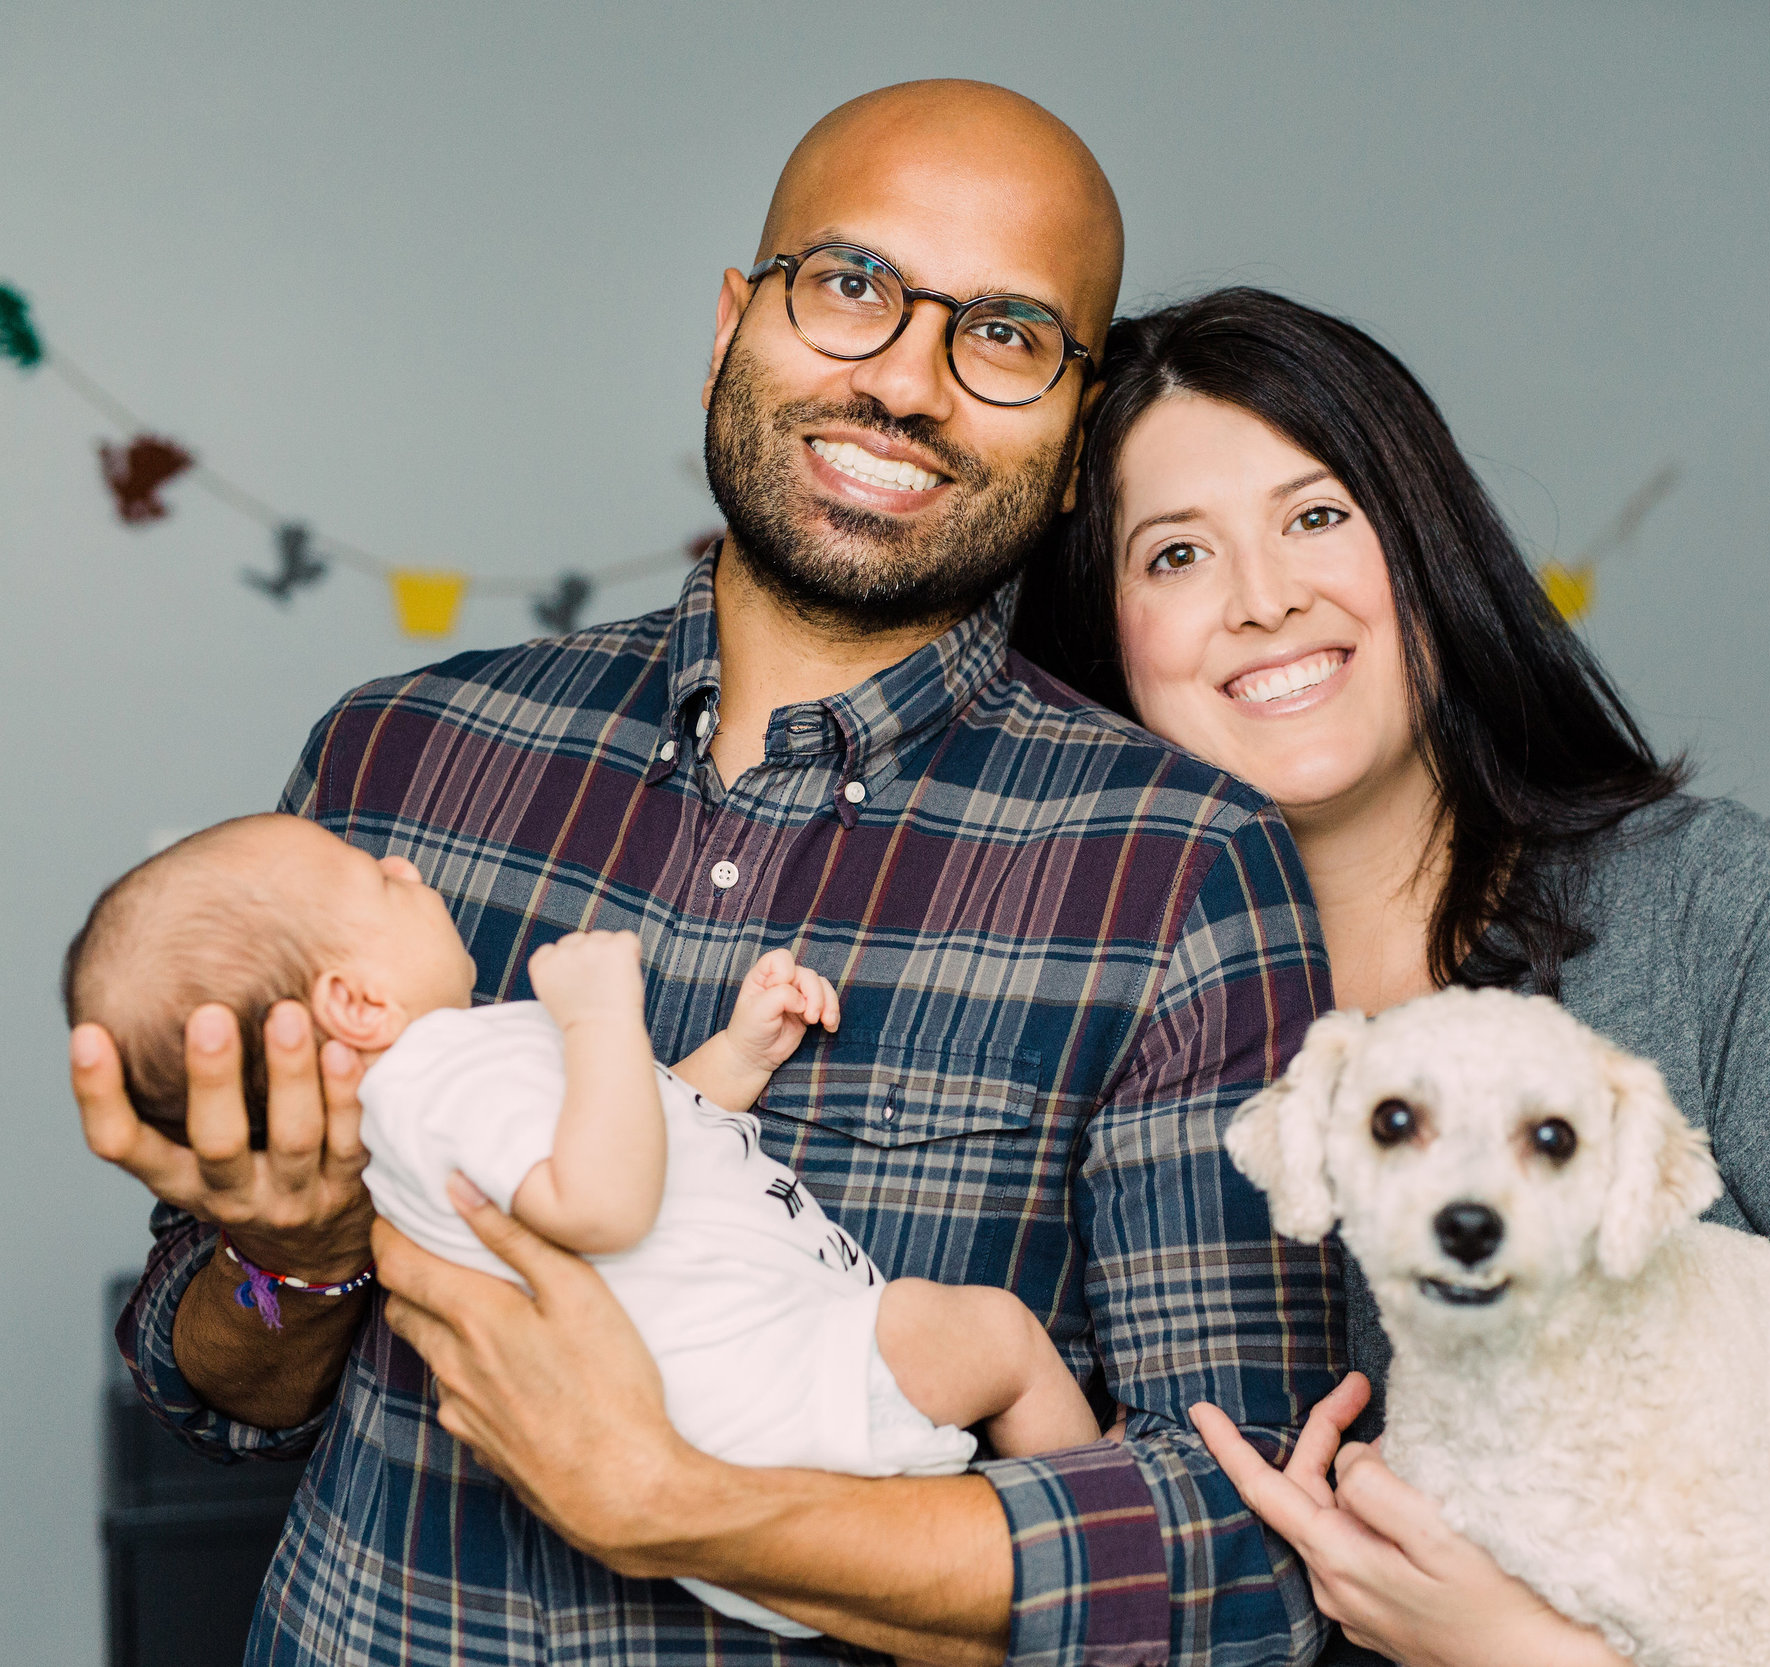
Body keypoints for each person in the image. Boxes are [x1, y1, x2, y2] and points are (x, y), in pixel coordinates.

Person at [74, 86, 1347, 1666]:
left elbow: (1242, 1559)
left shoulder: (1184, 874)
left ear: (1079, 443)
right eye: (854, 286)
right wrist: (294, 1256)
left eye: (1007, 334)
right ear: (734, 324)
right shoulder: (397, 764)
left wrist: (677, 1502)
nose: (903, 381)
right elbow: (215, 1387)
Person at [1011, 286, 1770, 1667]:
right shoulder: (1079, 1019)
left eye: (1317, 514)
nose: (1263, 596)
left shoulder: (1701, 909)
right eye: (1175, 553)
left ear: (1424, 550)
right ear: (1106, 636)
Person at [64, 813, 1100, 1640]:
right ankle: (1092, 1561)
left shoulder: (445, 1094)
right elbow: (604, 1201)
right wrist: (604, 1014)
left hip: (739, 1460)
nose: (410, 868)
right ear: (354, 1000)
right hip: (777, 1409)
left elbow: (653, 1143)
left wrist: (738, 1058)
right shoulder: (453, 1075)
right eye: (378, 877)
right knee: (998, 1334)